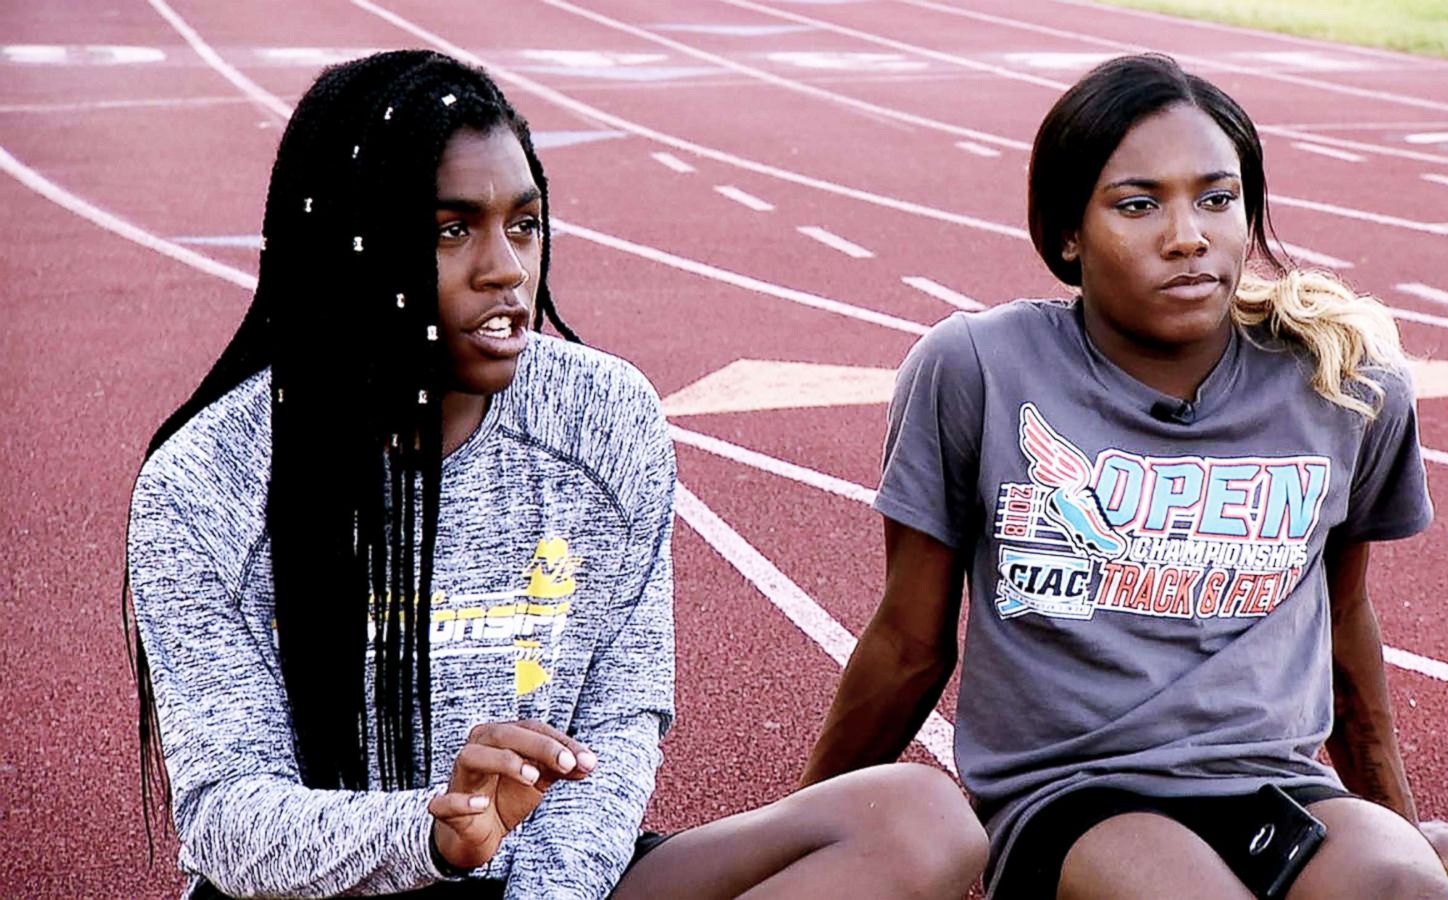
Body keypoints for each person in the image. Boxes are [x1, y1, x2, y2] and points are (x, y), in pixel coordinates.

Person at [126, 50, 988, 899]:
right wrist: (435, 831)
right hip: (335, 883)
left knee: (915, 820)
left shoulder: (603, 416)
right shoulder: (207, 483)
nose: (505, 269)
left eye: (525, 223)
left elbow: (619, 724)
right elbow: (225, 820)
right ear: (348, 245)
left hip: (554, 876)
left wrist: (544, 892)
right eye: (450, 229)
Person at [799, 54, 1448, 899]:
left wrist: (1397, 821)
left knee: (1404, 889)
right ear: (1068, 232)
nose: (1187, 236)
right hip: (1074, 798)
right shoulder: (978, 369)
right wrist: (801, 835)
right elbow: (910, 644)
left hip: (1273, 787)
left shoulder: (1342, 382)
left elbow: (1344, 618)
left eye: (1217, 199)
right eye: (1139, 205)